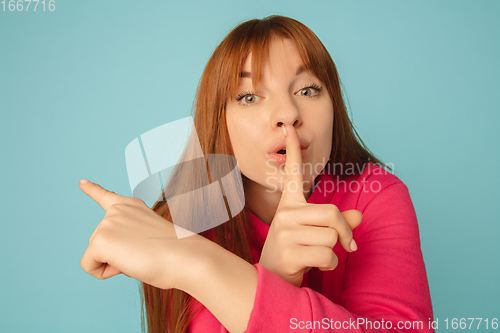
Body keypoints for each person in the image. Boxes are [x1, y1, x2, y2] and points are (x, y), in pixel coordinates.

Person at [79, 15, 434, 333]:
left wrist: (192, 261)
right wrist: (275, 273)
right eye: (249, 97)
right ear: (218, 122)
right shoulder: (185, 219)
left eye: (308, 90)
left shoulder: (375, 194)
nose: (287, 114)